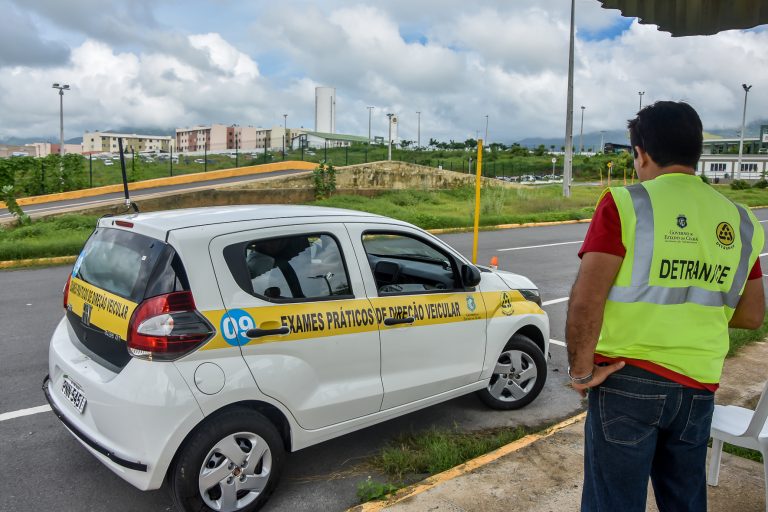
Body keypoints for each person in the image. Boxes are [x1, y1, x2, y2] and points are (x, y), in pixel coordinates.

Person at [565, 101, 765, 512]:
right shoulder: (741, 220)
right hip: (699, 387)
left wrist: (582, 372)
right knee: (684, 501)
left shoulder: (625, 203)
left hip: (627, 380)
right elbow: (751, 315)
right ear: (696, 152)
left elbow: (586, 300)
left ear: (641, 153)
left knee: (613, 503)